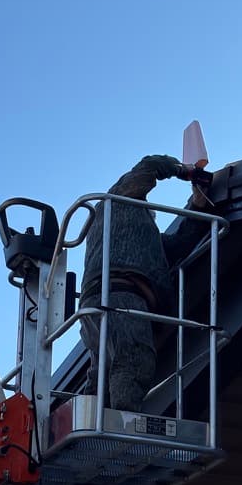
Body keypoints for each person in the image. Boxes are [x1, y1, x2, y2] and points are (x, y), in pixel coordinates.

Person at [79, 154, 213, 412]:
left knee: (103, 374)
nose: (153, 217)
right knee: (133, 359)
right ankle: (124, 427)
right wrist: (183, 170)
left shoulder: (144, 241)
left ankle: (91, 424)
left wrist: (197, 203)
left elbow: (179, 245)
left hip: (99, 304)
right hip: (121, 295)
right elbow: (149, 165)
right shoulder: (117, 201)